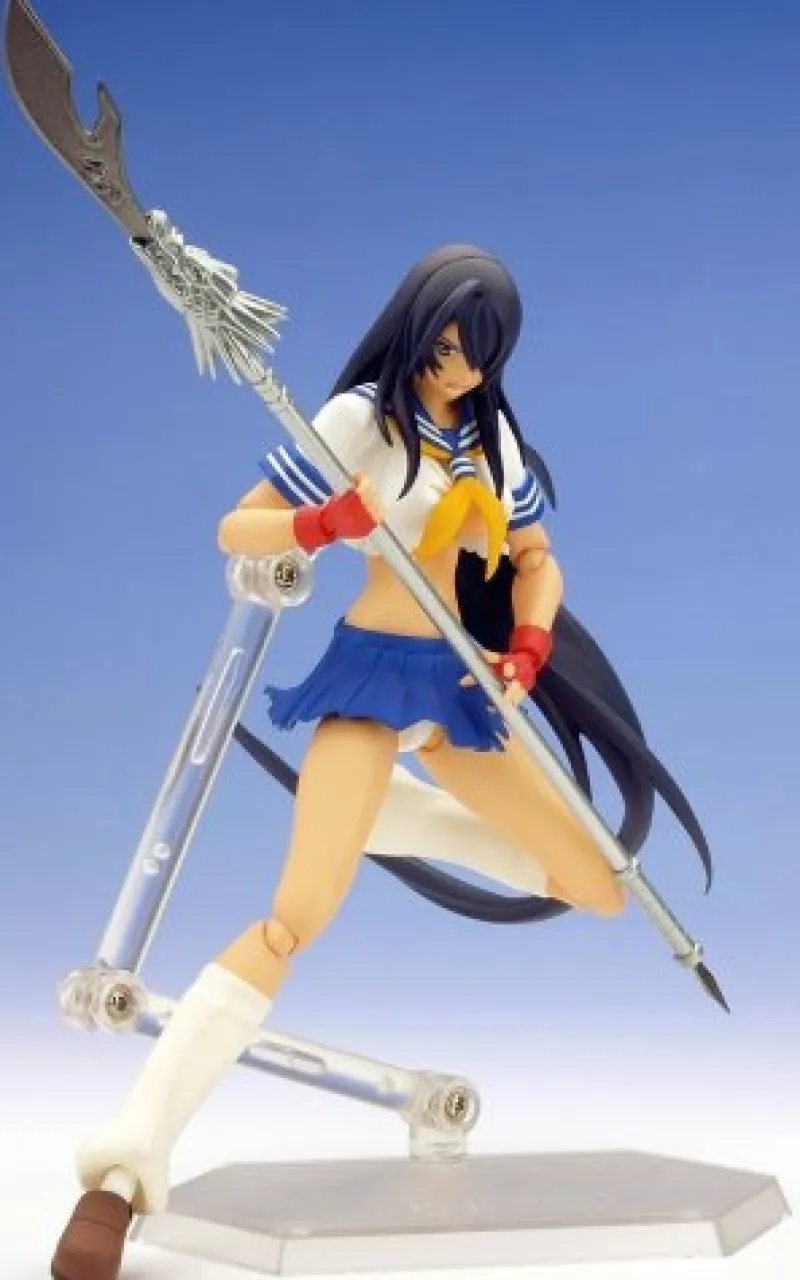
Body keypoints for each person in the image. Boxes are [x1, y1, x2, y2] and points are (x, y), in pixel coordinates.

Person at [51, 245, 711, 1280]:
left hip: (459, 691)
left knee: (595, 885)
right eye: (443, 347)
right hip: (370, 682)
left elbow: (535, 560)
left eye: (477, 354)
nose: (457, 369)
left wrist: (528, 642)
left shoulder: (493, 439)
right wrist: (323, 523)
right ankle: (128, 1163)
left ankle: (386, 816)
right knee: (293, 920)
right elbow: (237, 527)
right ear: (414, 330)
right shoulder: (363, 420)